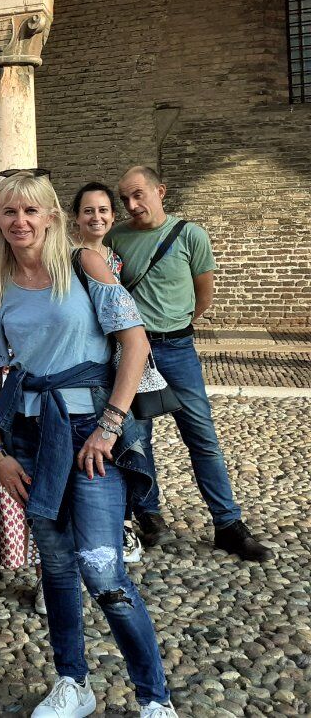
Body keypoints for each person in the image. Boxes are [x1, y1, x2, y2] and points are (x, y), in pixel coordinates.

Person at [0, 171, 178, 718]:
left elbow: (134, 344)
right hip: (32, 438)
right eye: (9, 213)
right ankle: (73, 681)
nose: (20, 222)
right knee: (57, 567)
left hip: (93, 434)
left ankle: (154, 697)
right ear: (0, 222)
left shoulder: (83, 264)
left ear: (50, 216)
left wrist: (112, 425)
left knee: (102, 567)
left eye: (30, 212)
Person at [106, 167, 271, 562]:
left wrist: (177, 326)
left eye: (139, 194)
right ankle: (150, 515)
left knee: (202, 437)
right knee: (138, 438)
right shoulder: (117, 237)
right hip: (134, 352)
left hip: (177, 349)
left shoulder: (190, 235)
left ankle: (228, 523)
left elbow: (203, 293)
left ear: (160, 190)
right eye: (125, 199)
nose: (132, 205)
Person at [70, 181, 144, 565]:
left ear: (112, 217)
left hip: (119, 361)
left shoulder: (114, 258)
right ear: (76, 218)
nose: (96, 217)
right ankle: (114, 529)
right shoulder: (76, 257)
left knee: (131, 444)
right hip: (95, 366)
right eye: (88, 211)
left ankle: (126, 522)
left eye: (103, 211)